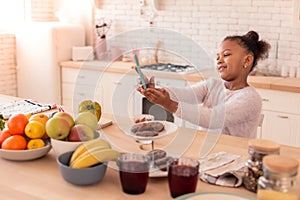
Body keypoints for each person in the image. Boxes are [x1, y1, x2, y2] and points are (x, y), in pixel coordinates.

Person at [137, 30, 271, 138]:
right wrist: (158, 91)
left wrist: (169, 104)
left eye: (226, 55)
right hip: (207, 154)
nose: (219, 60)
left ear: (247, 60)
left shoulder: (250, 98)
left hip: (233, 163)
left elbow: (213, 118)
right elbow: (186, 94)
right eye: (217, 57)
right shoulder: (213, 85)